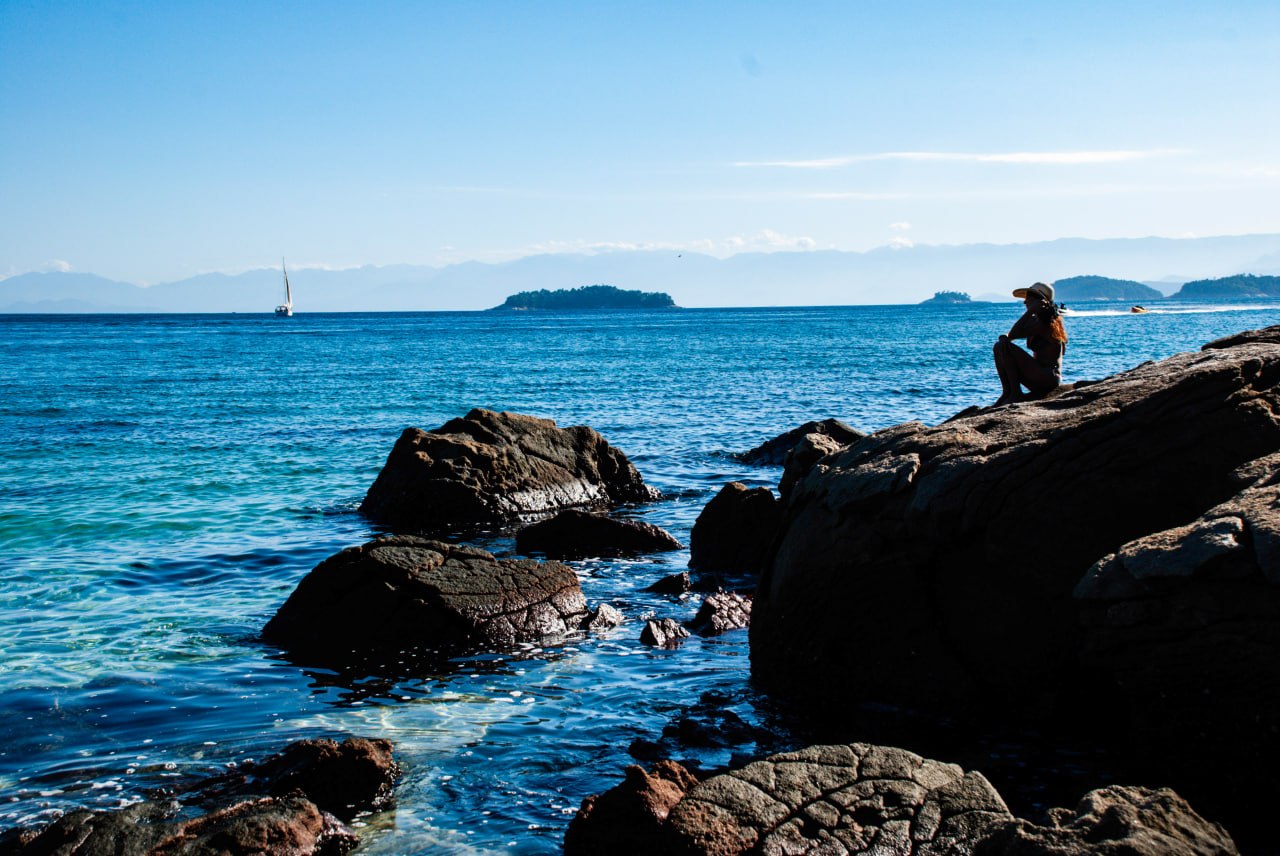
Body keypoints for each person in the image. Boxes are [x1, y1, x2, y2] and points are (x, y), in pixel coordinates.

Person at [993, 281, 1067, 406]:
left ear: (1040, 302)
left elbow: (1013, 334)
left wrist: (1030, 311)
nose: (1025, 302)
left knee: (1001, 346)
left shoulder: (1047, 322)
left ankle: (1015, 393)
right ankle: (1008, 392)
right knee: (1000, 346)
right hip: (1039, 376)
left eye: (1029, 299)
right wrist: (1005, 337)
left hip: (1048, 378)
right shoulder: (1036, 320)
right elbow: (1012, 335)